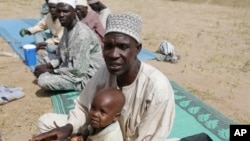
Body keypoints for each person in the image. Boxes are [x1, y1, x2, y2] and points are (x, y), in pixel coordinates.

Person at [29, 13, 175, 141]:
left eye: (122, 47)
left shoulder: (156, 87)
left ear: (137, 49)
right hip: (100, 133)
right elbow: (83, 107)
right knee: (46, 122)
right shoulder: (105, 71)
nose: (113, 54)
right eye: (108, 46)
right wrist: (69, 127)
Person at [33, 0, 103, 91]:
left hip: (86, 76)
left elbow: (78, 71)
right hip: (69, 65)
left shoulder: (82, 35)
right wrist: (49, 66)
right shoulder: (67, 27)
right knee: (42, 57)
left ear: (74, 12)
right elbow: (62, 52)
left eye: (65, 11)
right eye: (59, 11)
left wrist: (51, 71)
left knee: (43, 80)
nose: (61, 15)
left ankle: (79, 86)